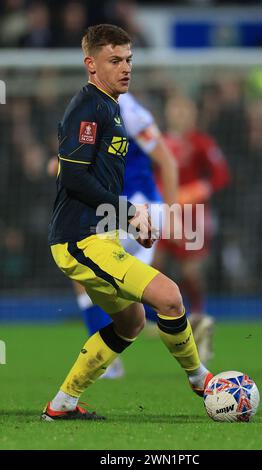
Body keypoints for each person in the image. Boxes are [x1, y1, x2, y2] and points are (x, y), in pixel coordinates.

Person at [42, 24, 213, 421]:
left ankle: (62, 404)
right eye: (114, 60)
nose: (125, 68)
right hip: (79, 240)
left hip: (101, 234)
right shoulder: (88, 107)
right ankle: (202, 381)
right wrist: (130, 209)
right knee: (170, 297)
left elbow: (91, 175)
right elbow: (73, 176)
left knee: (132, 322)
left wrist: (130, 220)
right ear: (91, 64)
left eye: (129, 60)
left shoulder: (112, 107)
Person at [153, 95, 231, 364]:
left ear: (194, 115)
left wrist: (200, 189)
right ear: (168, 112)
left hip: (193, 216)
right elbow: (150, 174)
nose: (181, 114)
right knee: (154, 266)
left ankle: (198, 316)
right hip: (164, 213)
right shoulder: (158, 142)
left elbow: (221, 175)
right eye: (176, 109)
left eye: (186, 109)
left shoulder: (202, 143)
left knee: (190, 270)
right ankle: (162, 319)